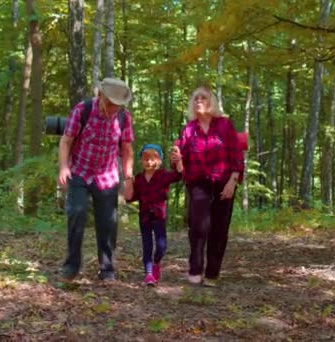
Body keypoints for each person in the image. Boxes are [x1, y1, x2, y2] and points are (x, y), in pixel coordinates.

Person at [58, 78, 134, 281]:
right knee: (76, 211)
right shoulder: (83, 110)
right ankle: (72, 265)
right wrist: (64, 167)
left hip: (107, 175)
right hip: (80, 171)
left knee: (108, 222)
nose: (112, 109)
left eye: (117, 106)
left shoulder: (124, 118)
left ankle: (107, 268)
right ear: (100, 95)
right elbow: (66, 141)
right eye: (110, 104)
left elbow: (127, 149)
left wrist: (128, 178)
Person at [170, 85, 244, 287]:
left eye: (203, 98)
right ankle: (195, 269)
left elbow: (236, 154)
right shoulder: (188, 129)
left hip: (224, 181)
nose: (198, 101)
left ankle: (212, 273)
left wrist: (233, 180)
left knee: (219, 229)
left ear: (211, 102)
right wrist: (177, 160)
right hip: (198, 182)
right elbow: (180, 164)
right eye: (195, 99)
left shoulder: (225, 125)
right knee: (198, 226)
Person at [124, 144, 183, 286]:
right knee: (147, 245)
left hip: (159, 216)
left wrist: (178, 160)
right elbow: (129, 197)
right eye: (146, 159)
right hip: (144, 217)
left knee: (161, 245)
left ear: (160, 161)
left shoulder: (163, 175)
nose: (149, 162)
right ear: (141, 161)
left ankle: (157, 262)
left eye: (153, 158)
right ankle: (149, 273)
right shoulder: (138, 179)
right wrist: (127, 179)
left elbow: (179, 175)